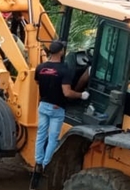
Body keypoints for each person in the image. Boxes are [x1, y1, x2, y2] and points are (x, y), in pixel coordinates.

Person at [33, 40, 89, 178]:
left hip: (43, 106)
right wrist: (81, 95)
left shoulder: (40, 67)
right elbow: (67, 93)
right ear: (61, 52)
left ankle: (38, 162)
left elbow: (37, 82)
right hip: (56, 108)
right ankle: (46, 164)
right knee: (53, 137)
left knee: (41, 135)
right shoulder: (64, 70)